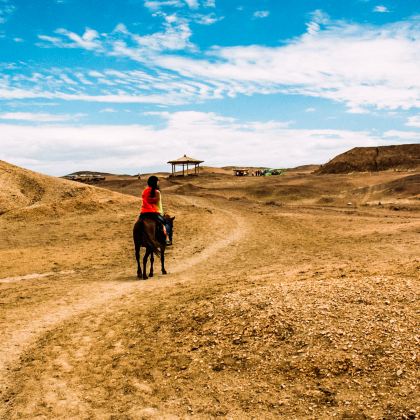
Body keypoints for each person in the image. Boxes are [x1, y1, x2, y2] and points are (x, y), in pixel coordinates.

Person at [140, 176, 171, 245]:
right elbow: (156, 201)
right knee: (164, 224)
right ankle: (167, 238)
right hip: (154, 212)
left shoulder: (144, 191)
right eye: (158, 181)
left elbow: (146, 200)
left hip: (143, 212)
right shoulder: (157, 192)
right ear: (156, 182)